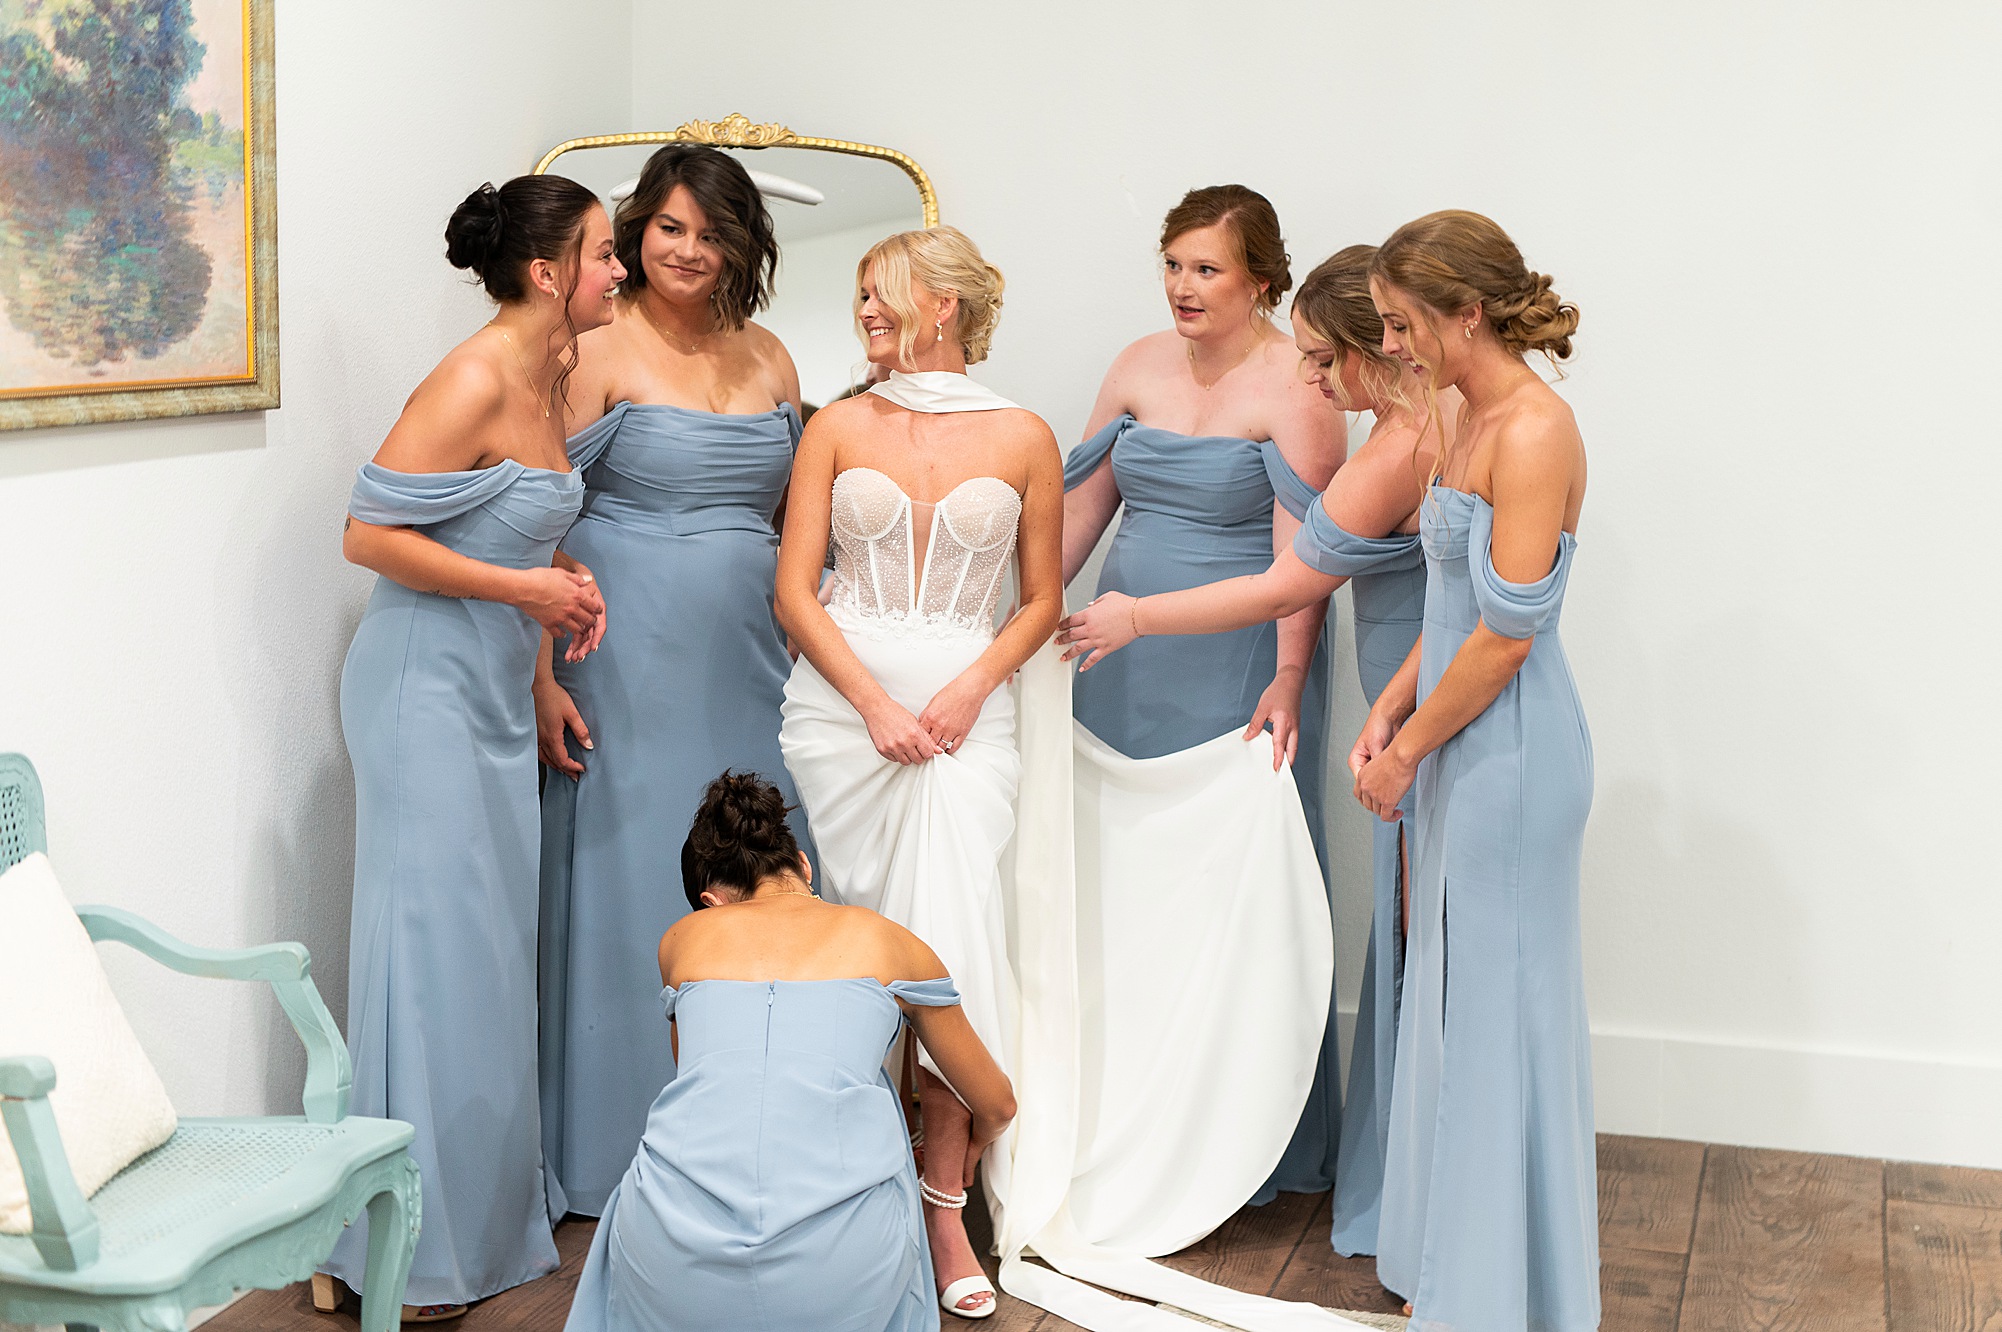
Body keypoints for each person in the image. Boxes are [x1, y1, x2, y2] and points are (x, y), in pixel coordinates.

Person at [1055, 244, 1458, 1256]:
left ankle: (1412, 1198)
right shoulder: (1429, 429)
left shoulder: (1405, 444)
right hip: (1399, 702)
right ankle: (1420, 1198)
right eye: (1172, 264)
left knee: (1421, 938)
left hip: (1404, 710)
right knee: (1417, 940)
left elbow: (1291, 582)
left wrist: (1144, 617)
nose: (1311, 379)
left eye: (1323, 359)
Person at [320, 175, 622, 1321]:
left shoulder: (553, 372)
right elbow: (367, 535)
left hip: (492, 690)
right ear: (546, 272)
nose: (619, 272)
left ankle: (480, 1224)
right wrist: (526, 591)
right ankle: (396, 1247)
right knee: (431, 960)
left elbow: (505, 525)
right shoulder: (475, 375)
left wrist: (544, 654)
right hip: (420, 692)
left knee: (486, 961)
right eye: (603, 253)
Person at [774, 225, 1063, 1319]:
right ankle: (859, 1186)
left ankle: (944, 1205)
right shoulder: (837, 426)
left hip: (964, 729)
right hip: (844, 725)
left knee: (945, 941)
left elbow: (1040, 598)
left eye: (881, 290)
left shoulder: (1024, 434)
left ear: (944, 304)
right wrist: (875, 704)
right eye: (859, 293)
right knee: (863, 955)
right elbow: (795, 591)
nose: (864, 310)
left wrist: (970, 688)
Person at [535, 143, 816, 1220]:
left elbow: (798, 515)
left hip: (749, 655)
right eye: (669, 228)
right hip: (620, 653)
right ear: (636, 231)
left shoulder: (771, 358)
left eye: (711, 233)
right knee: (632, 865)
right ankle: (617, 1137)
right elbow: (532, 520)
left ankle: (755, 1141)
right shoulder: (596, 348)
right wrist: (540, 676)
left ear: (742, 244)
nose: (689, 250)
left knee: (758, 865)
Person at [1060, 184, 1347, 1213]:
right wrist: (1017, 620)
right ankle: (1117, 1118)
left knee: (1223, 884)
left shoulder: (1301, 387)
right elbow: (1079, 512)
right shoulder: (1137, 364)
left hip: (1237, 659)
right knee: (1117, 871)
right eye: (1173, 265)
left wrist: (1287, 680)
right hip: (1118, 656)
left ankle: (1237, 1143)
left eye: (1207, 269)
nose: (1183, 286)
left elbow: (1305, 563)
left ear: (1259, 280)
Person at [1356, 211, 1596, 1330]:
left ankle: (1503, 1296)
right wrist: (1392, 703)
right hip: (1455, 733)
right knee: (1457, 1000)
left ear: (1468, 313)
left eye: (1403, 324)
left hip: (1512, 753)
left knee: (1501, 1008)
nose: (1391, 346)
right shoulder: (1460, 410)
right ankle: (1463, 1268)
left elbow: (1504, 639)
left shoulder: (1537, 431)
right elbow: (1450, 607)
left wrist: (1406, 752)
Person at [561, 772, 1014, 1332]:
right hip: (844, 1274)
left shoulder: (683, 939)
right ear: (802, 864)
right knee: (868, 1089)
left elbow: (706, 1086)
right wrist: (973, 1148)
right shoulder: (892, 941)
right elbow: (997, 1104)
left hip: (670, 1262)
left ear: (710, 902)